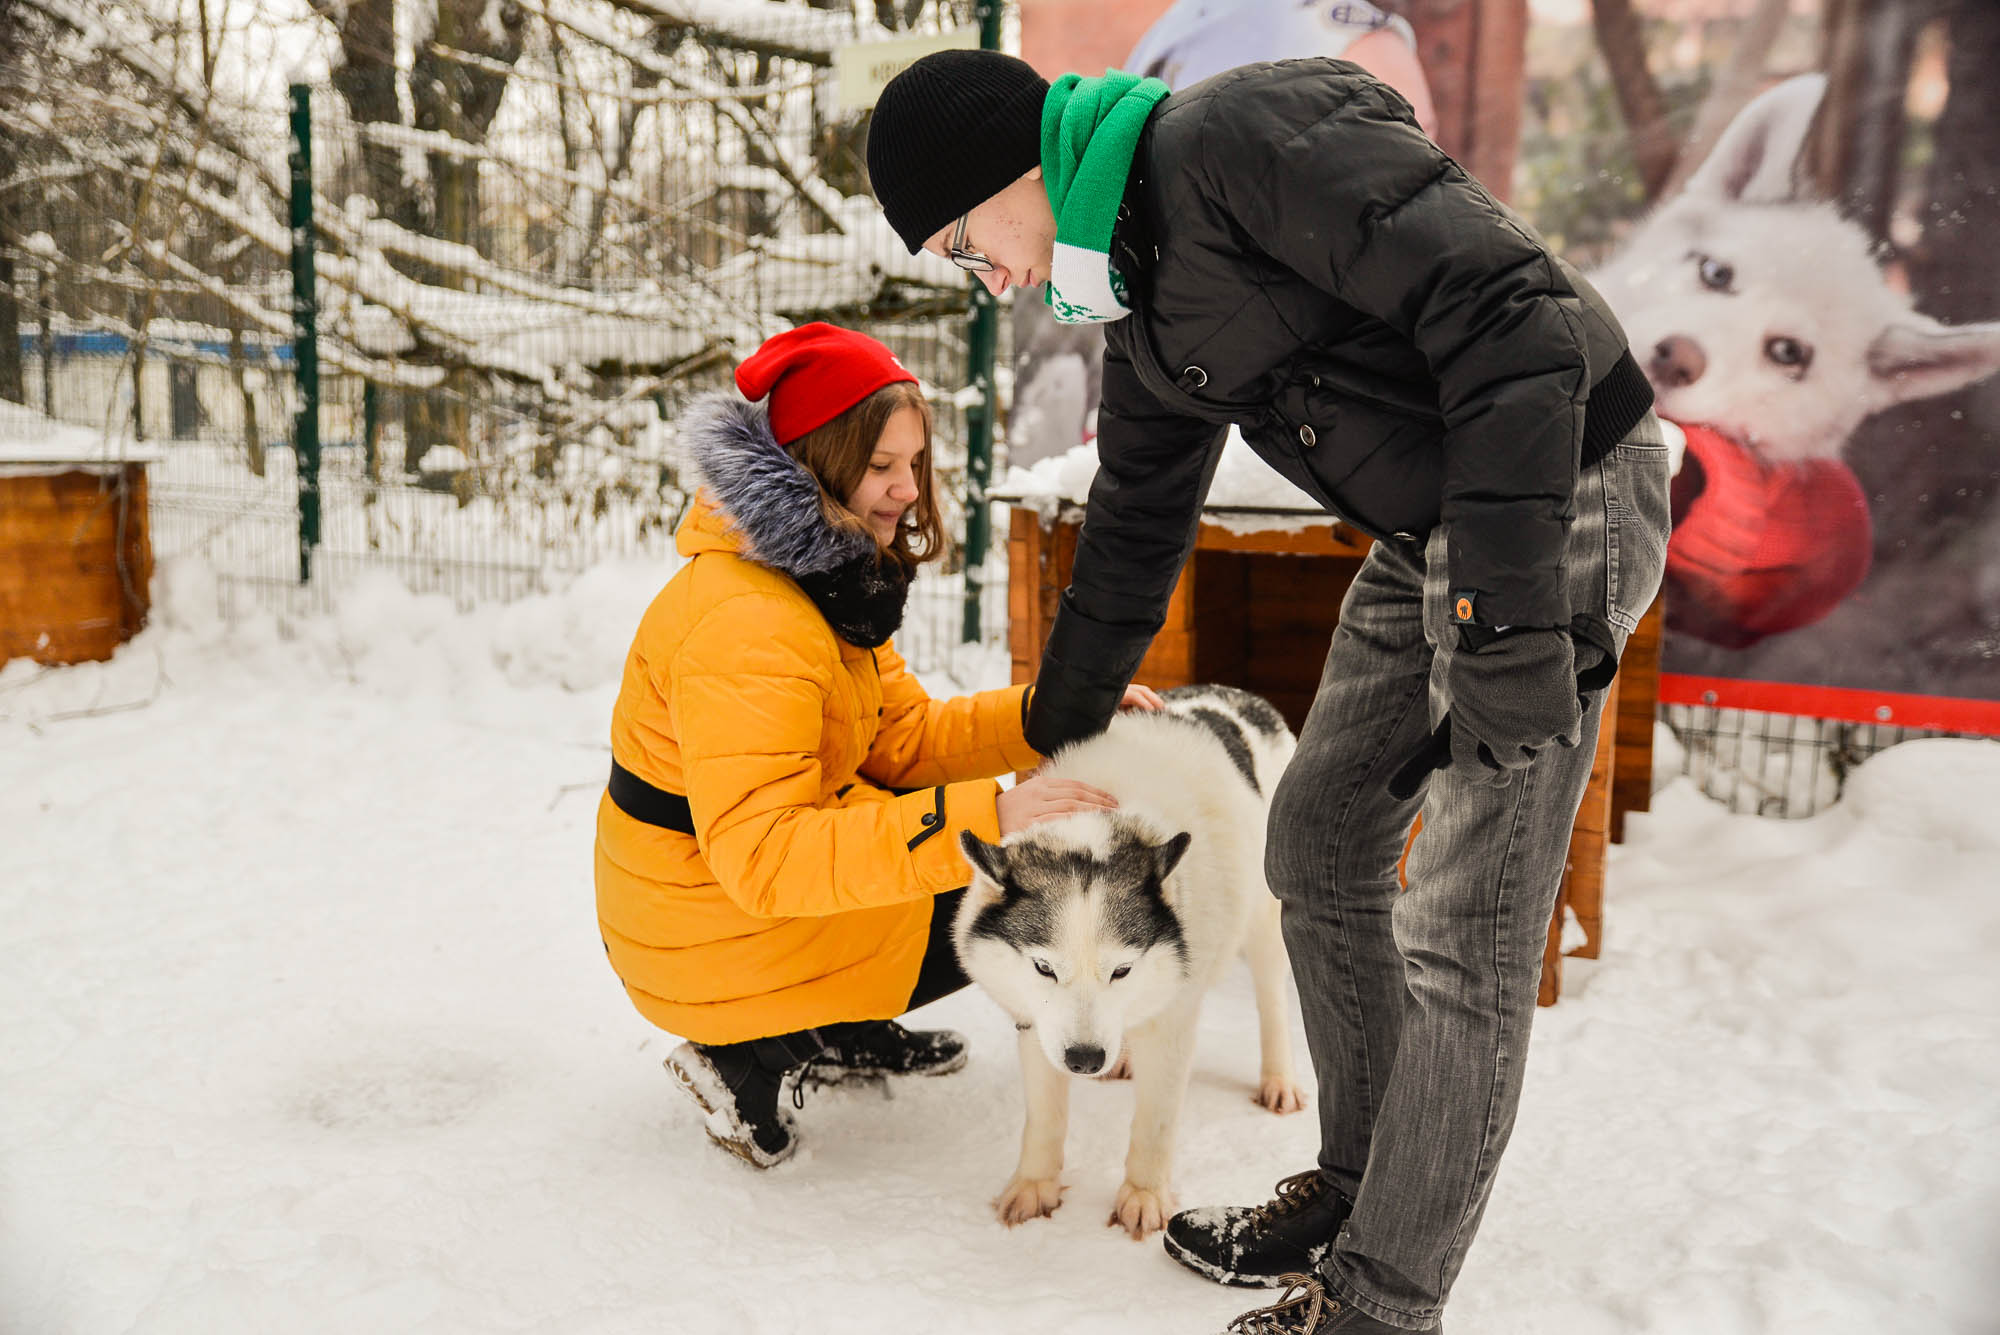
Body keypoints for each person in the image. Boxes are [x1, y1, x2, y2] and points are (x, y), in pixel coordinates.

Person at [867, 52, 1670, 1334]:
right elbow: (1130, 533)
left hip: (1552, 494)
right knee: (1317, 836)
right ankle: (1357, 1184)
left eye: (966, 243)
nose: (987, 278)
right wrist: (1055, 743)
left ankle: (1379, 1303)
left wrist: (1509, 622)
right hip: (1435, 530)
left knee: (1465, 927)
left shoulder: (1238, 141)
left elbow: (1512, 315)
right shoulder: (1141, 306)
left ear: (1010, 173)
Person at [593, 322, 1147, 1169]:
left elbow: (901, 740)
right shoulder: (748, 620)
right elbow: (764, 854)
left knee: (939, 849)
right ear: (815, 459)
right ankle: (740, 1054)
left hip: (713, 892)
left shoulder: (816, 578)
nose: (904, 488)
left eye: (914, 463)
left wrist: (1057, 714)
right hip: (695, 919)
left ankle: (833, 1019)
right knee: (998, 891)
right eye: (880, 465)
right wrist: (990, 817)